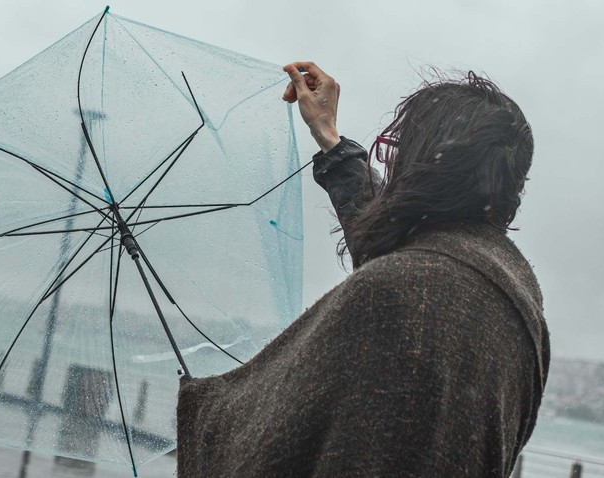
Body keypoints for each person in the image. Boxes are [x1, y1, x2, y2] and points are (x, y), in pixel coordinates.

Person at [176, 62, 550, 477]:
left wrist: (205, 407)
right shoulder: (511, 290)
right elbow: (410, 248)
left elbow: (279, 434)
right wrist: (329, 138)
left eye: (398, 152)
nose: (392, 165)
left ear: (427, 167)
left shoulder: (395, 291)